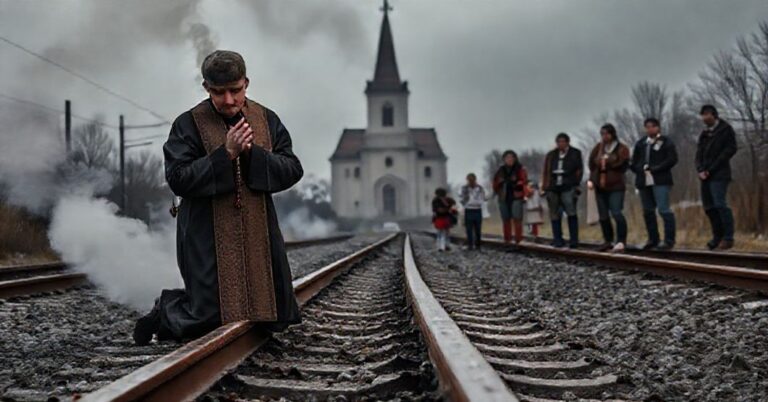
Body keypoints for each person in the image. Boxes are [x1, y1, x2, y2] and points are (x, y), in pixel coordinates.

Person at [133, 50, 303, 346]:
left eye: (235, 91)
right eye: (219, 92)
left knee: (273, 315)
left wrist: (253, 153)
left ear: (246, 83)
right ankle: (165, 311)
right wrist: (225, 154)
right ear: (206, 88)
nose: (228, 100)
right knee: (206, 319)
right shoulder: (187, 124)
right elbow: (178, 178)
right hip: (204, 233)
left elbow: (292, 169)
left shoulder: (266, 119)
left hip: (258, 231)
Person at [630, 118, 678, 250]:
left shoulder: (665, 142)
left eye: (652, 127)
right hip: (644, 181)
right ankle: (653, 239)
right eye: (647, 127)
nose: (650, 129)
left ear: (658, 128)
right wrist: (641, 168)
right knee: (648, 211)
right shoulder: (641, 143)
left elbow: (672, 159)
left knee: (663, 209)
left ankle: (669, 240)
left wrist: (656, 168)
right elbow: (633, 162)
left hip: (660, 179)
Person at [696, 104, 738, 250]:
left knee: (720, 204)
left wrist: (711, 169)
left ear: (714, 115)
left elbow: (731, 149)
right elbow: (699, 154)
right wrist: (700, 169)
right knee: (709, 207)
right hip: (704, 175)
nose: (704, 118)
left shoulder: (725, 130)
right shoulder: (704, 134)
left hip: (720, 173)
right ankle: (717, 237)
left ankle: (728, 237)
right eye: (702, 115)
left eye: (707, 114)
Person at [588, 123, 631, 252]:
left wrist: (608, 161)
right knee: (603, 215)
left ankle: (621, 240)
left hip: (616, 185)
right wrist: (592, 178)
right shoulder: (598, 148)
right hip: (600, 185)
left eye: (607, 133)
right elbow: (591, 163)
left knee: (616, 212)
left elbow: (623, 164)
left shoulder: (621, 148)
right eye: (602, 134)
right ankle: (608, 240)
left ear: (612, 134)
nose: (604, 136)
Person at [541, 133, 583, 248]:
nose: (561, 144)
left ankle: (574, 240)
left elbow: (579, 170)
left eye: (563, 141)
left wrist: (575, 183)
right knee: (554, 213)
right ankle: (557, 238)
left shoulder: (575, 153)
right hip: (553, 187)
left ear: (567, 142)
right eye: (559, 142)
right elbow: (546, 171)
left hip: (568, 186)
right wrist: (545, 187)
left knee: (571, 212)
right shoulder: (551, 155)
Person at [493, 150, 528, 244]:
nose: (509, 159)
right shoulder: (501, 170)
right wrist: (499, 186)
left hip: (516, 196)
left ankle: (518, 240)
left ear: (515, 158)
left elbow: (524, 181)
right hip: (503, 196)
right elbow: (495, 183)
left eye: (511, 157)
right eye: (507, 157)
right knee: (506, 219)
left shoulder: (520, 169)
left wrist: (518, 184)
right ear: (504, 159)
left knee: (517, 218)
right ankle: (507, 239)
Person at [460, 173, 486, 250]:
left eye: (472, 179)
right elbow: (462, 198)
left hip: (477, 209)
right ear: (467, 180)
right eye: (469, 179)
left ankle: (478, 244)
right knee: (469, 228)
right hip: (469, 209)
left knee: (478, 228)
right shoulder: (464, 188)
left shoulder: (480, 188)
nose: (471, 181)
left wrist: (480, 203)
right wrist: (465, 203)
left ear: (475, 179)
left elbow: (483, 197)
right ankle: (470, 244)